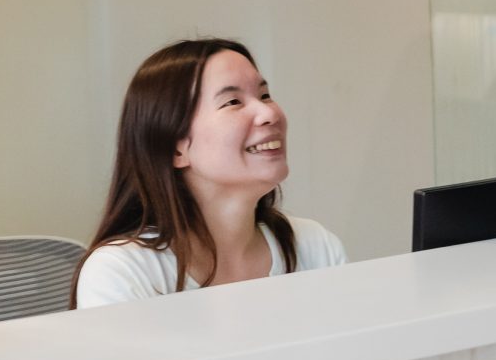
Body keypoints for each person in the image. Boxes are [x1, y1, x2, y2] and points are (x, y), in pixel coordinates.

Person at [73, 38, 346, 307]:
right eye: (232, 102)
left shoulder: (314, 246)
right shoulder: (122, 272)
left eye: (264, 95)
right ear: (176, 150)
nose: (268, 113)